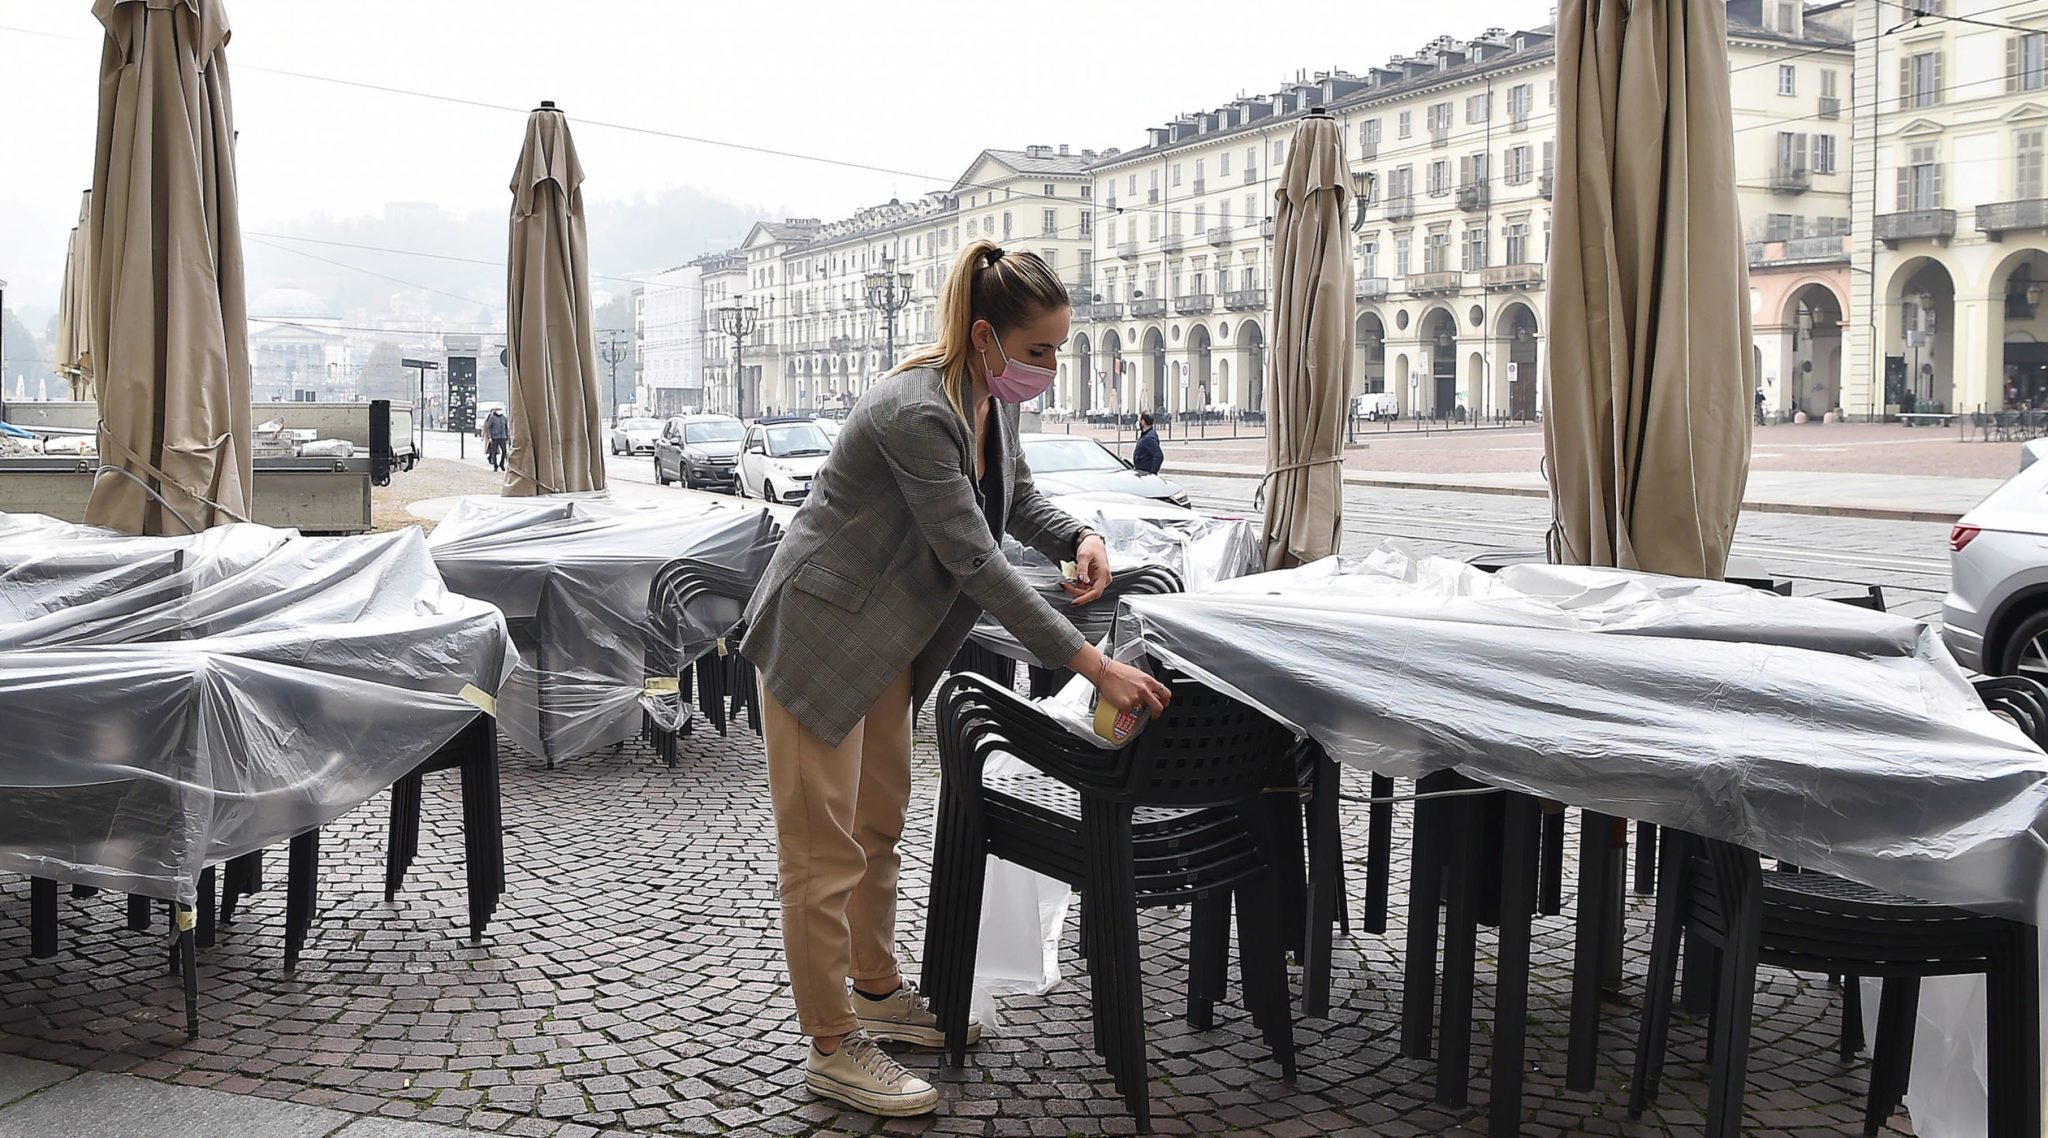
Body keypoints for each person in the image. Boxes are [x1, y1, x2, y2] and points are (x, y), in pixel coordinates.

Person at [740, 240, 1171, 1119]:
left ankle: (876, 988)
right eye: (1039, 351)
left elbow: (1014, 498)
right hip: (819, 641)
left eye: (1058, 349)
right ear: (984, 338)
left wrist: (1077, 537)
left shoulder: (988, 402)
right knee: (822, 858)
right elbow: (975, 558)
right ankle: (830, 1043)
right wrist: (1093, 666)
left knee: (878, 830)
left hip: (889, 649)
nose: (1050, 368)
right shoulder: (915, 412)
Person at [481, 407, 509, 471]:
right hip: (494, 437)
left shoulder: (504, 418)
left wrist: (507, 437)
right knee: (494, 452)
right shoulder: (492, 418)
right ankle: (495, 465)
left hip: (502, 437)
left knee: (504, 451)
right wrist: (489, 437)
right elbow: (488, 428)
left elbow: (506, 428)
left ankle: (501, 463)